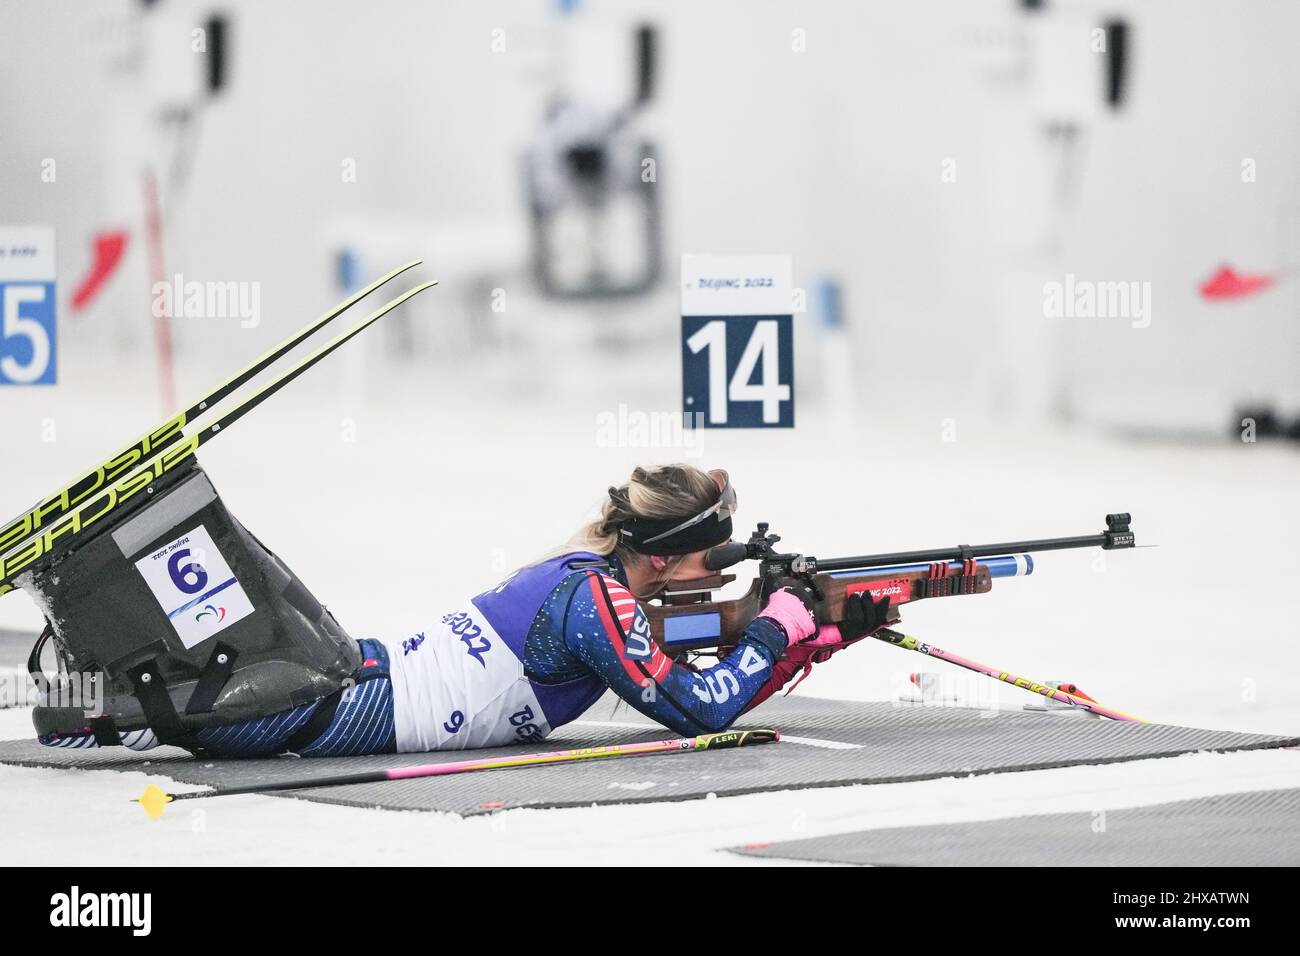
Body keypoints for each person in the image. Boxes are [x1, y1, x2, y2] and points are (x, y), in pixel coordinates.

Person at [36, 464, 888, 757]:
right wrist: (781, 621)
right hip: (313, 703)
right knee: (143, 707)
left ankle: (98, 652)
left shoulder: (593, 580)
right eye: (716, 555)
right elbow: (697, 705)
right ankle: (101, 600)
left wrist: (804, 628)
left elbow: (688, 641)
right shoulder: (596, 602)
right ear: (662, 558)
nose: (721, 572)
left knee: (164, 692)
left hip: (339, 676)